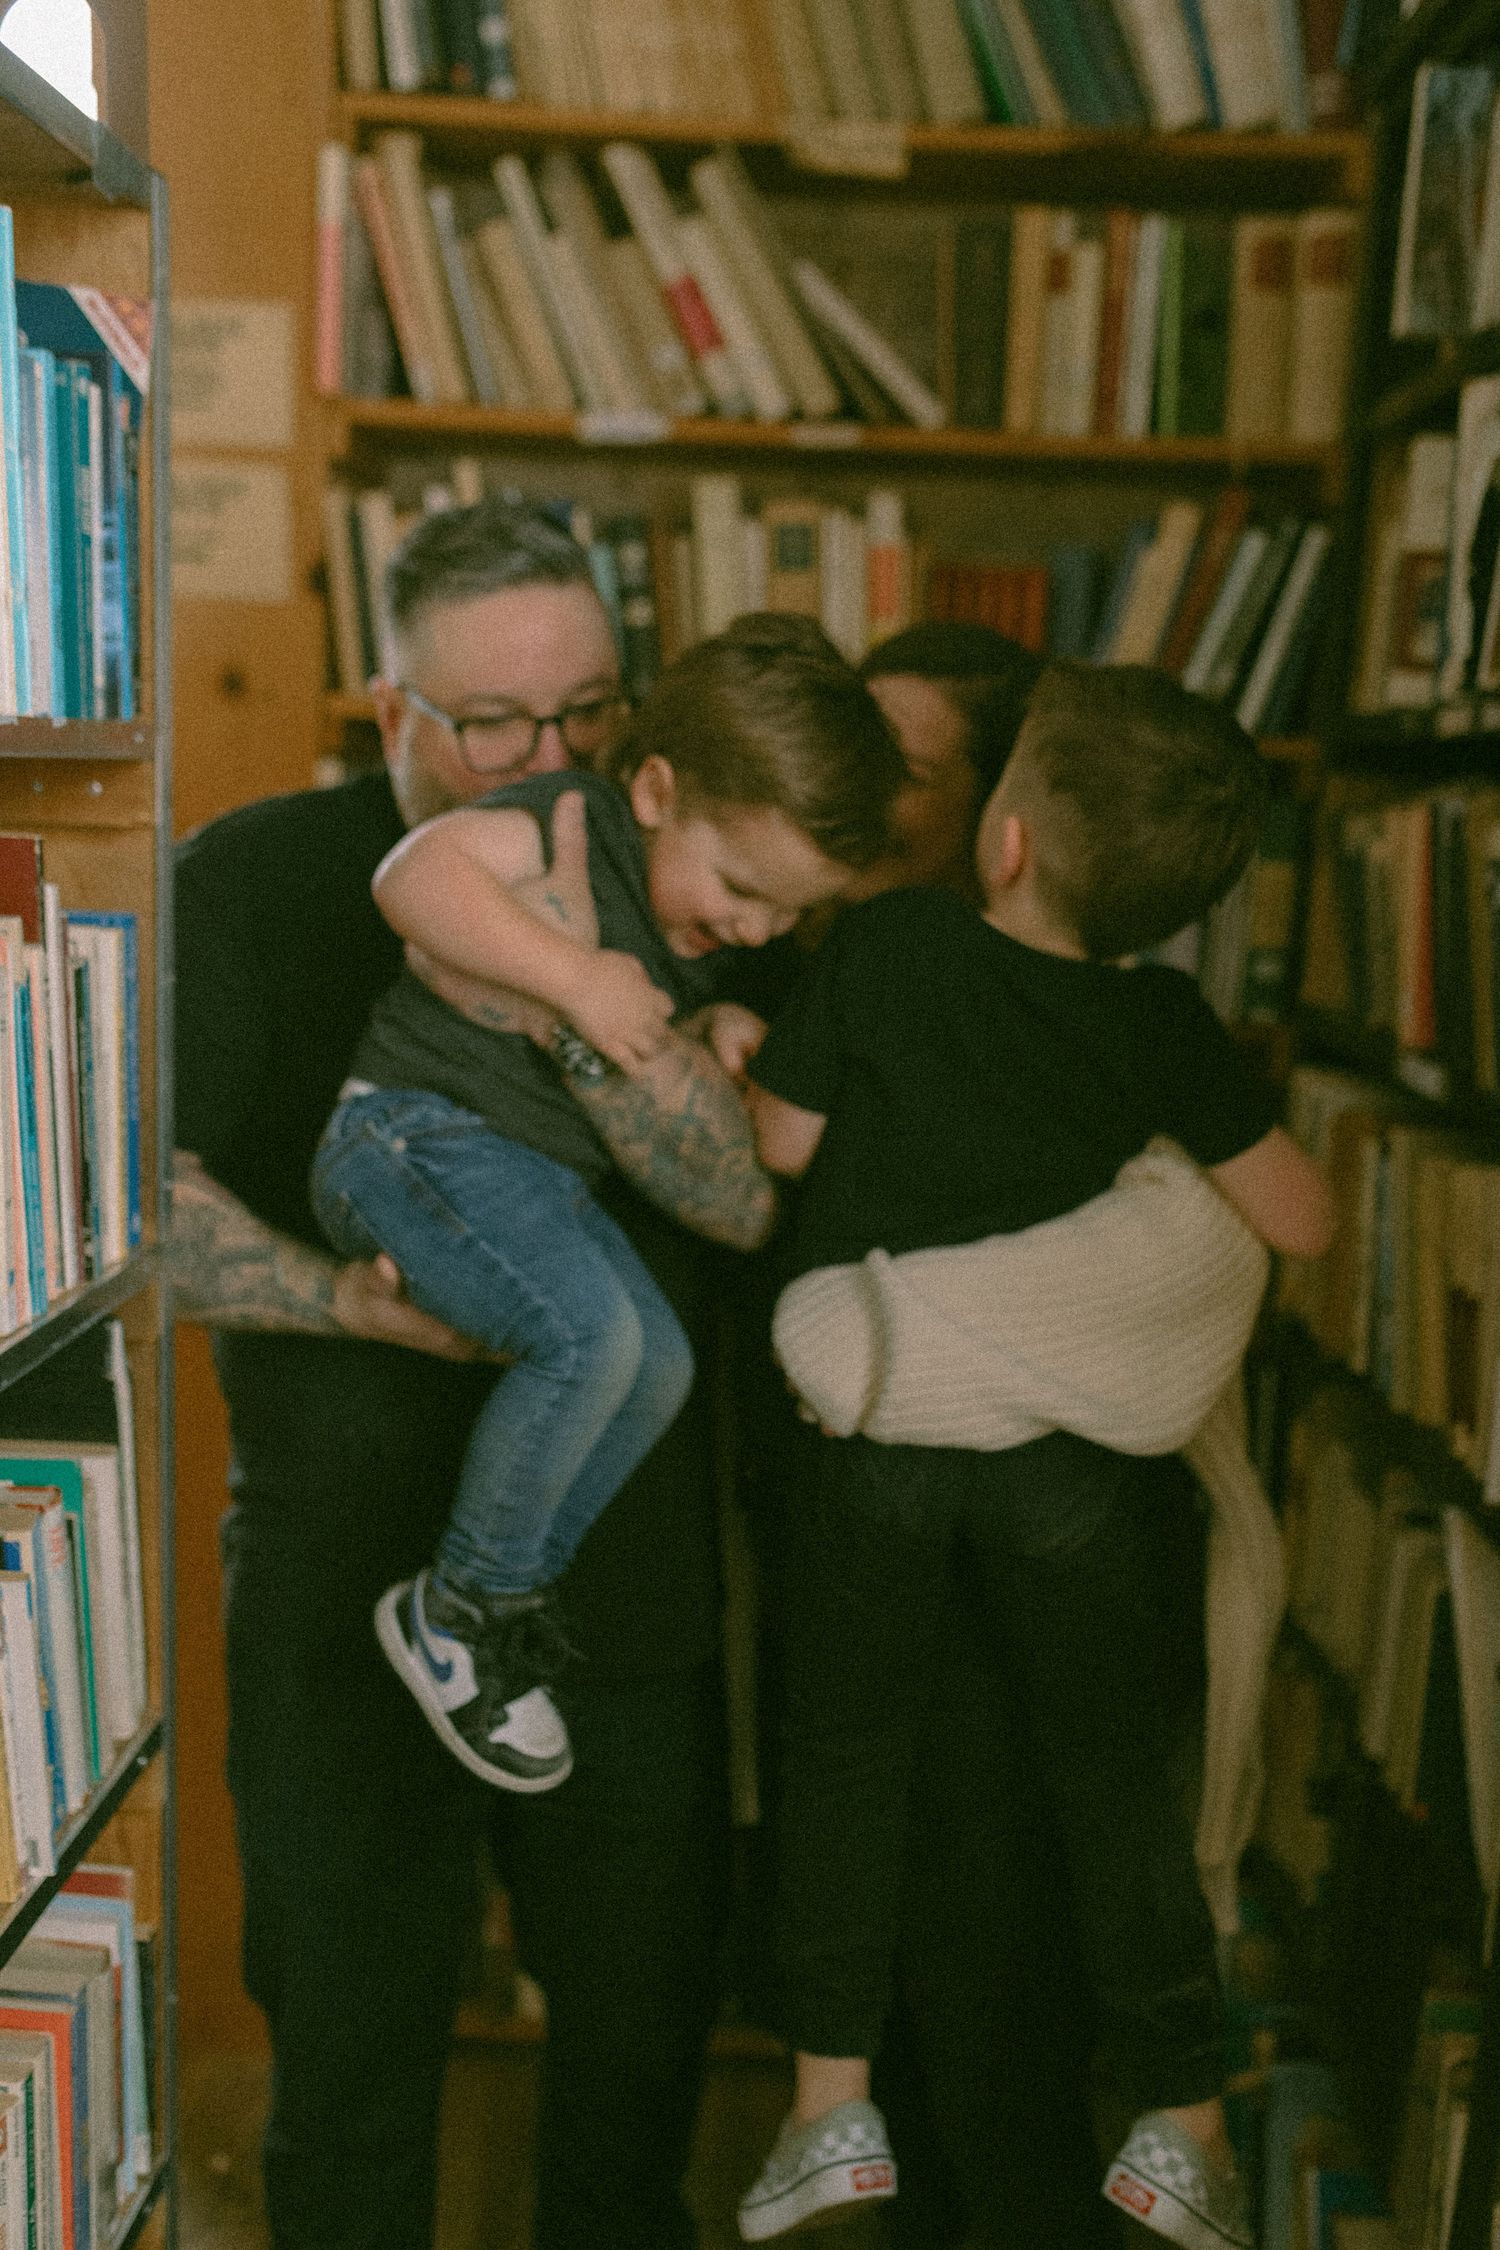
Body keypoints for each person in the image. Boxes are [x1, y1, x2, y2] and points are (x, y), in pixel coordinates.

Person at [171, 499, 828, 2250]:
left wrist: (563, 987)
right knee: (352, 2095)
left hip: (628, 1610)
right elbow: (114, 1227)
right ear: (392, 710)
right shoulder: (251, 877)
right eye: (493, 725)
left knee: (631, 2095)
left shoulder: (690, 873)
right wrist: (347, 1302)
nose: (548, 758)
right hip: (337, 1583)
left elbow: (740, 1197)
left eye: (589, 715)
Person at [736, 664, 1333, 2249]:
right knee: (1113, 1782)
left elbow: (777, 1150)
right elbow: (1303, 1220)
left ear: (1001, 838)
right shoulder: (1163, 1021)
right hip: (1067, 1474)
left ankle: (826, 2116)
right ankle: (1185, 2124)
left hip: (874, 1448)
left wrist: (758, 1053)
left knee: (843, 1768)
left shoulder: (884, 942)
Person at [308, 613, 903, 1791]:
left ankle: (495, 1607)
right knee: (594, 1339)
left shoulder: (709, 924)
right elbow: (412, 876)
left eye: (790, 914)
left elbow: (654, 1029)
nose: (755, 928)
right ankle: (463, 1613)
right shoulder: (566, 818)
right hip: (406, 1134)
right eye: (741, 888)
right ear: (656, 787)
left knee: (659, 1363)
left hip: (521, 1173)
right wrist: (575, 980)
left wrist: (708, 1026)